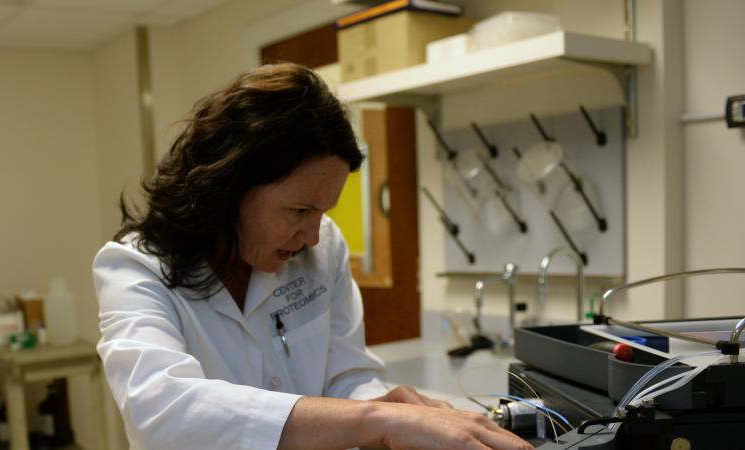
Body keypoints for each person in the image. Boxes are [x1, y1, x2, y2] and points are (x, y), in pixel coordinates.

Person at [93, 63, 532, 450]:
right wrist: (378, 420)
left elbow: (347, 376)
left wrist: (389, 414)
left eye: (322, 211)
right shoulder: (136, 268)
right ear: (227, 189)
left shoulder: (322, 248)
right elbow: (164, 413)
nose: (314, 235)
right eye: (300, 210)